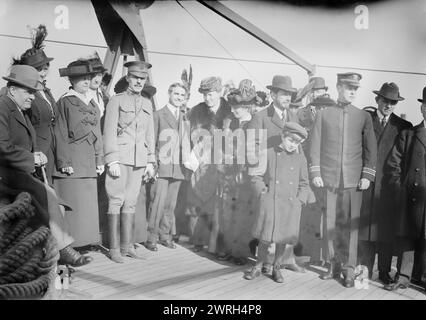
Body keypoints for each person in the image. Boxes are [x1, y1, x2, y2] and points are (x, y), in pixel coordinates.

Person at [0, 64, 92, 267]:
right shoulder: (3, 107)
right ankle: (63, 250)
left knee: (55, 201)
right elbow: (2, 147)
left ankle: (55, 252)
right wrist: (30, 158)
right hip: (6, 173)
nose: (32, 97)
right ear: (12, 89)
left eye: (34, 92)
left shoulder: (18, 108)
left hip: (17, 170)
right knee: (48, 195)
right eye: (28, 92)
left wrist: (34, 153)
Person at [309, 72, 377, 288]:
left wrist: (367, 175)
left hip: (353, 182)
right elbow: (315, 145)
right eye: (349, 88)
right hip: (329, 179)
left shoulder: (363, 116)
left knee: (351, 228)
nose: (353, 92)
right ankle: (333, 265)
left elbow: (370, 150)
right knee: (330, 224)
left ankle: (348, 269)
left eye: (356, 88)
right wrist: (316, 173)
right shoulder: (324, 114)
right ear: (338, 87)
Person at [246, 75, 305, 274]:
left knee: (285, 226)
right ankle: (261, 264)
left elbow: (298, 150)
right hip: (269, 180)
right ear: (273, 94)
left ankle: (282, 262)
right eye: (284, 94)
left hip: (288, 184)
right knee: (266, 228)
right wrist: (260, 188)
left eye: (290, 94)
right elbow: (252, 151)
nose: (288, 97)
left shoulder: (293, 117)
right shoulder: (261, 117)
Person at [358, 82, 412, 283]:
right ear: (377, 100)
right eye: (385, 101)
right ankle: (364, 271)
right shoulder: (365, 121)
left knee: (385, 231)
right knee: (365, 230)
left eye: (392, 102)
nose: (388, 105)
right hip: (367, 184)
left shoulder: (403, 127)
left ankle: (383, 272)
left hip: (389, 189)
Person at [103, 60, 156, 263]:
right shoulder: (116, 101)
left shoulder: (147, 103)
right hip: (120, 158)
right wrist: (112, 160)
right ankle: (114, 249)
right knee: (116, 200)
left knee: (131, 203)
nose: (139, 82)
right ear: (127, 78)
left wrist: (151, 161)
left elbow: (150, 134)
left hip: (139, 160)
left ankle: (127, 246)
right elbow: (108, 132)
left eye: (142, 79)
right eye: (135, 78)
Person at [244, 122, 310, 283]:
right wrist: (262, 193)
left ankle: (277, 268)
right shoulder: (268, 153)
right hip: (271, 202)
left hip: (290, 204)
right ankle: (258, 266)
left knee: (283, 239)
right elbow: (256, 177)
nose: (293, 145)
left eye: (297, 143)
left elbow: (304, 183)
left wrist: (299, 200)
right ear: (283, 136)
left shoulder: (300, 159)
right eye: (290, 140)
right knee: (265, 238)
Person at [53, 59, 104, 248]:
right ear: (71, 80)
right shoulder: (65, 102)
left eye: (87, 77)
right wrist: (64, 160)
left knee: (87, 205)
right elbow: (60, 132)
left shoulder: (93, 104)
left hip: (89, 161)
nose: (85, 81)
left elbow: (98, 134)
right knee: (74, 203)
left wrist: (100, 159)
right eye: (80, 77)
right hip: (72, 160)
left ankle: (87, 242)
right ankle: (71, 246)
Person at [384, 87, 426, 292]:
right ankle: (403, 276)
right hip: (410, 196)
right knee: (408, 236)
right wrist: (400, 188)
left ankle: (423, 277)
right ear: (422, 107)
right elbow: (394, 164)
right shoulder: (409, 133)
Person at [186, 76, 233, 256]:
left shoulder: (229, 109)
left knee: (216, 202)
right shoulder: (197, 111)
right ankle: (198, 239)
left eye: (211, 94)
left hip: (221, 161)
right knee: (198, 197)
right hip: (202, 160)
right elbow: (193, 133)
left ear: (220, 92)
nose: (207, 99)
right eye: (205, 95)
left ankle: (215, 242)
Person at [5, 25, 58, 184]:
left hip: (49, 148)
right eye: (38, 68)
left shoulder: (46, 91)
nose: (43, 72)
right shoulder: (22, 93)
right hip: (34, 148)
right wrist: (33, 151)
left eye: (45, 67)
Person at [145, 82, 191, 251]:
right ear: (169, 94)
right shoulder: (158, 115)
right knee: (157, 203)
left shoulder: (185, 118)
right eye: (176, 94)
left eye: (182, 95)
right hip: (162, 167)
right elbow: (152, 141)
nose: (179, 97)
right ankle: (151, 237)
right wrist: (153, 164)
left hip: (178, 168)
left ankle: (165, 235)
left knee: (170, 205)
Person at [225, 80, 260, 265]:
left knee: (245, 214)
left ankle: (241, 251)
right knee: (234, 213)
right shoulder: (233, 125)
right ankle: (234, 249)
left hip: (246, 174)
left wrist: (241, 169)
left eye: (238, 106)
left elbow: (252, 153)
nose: (234, 110)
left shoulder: (252, 124)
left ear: (247, 106)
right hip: (232, 174)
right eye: (233, 106)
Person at [84, 52, 108, 133]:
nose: (97, 79)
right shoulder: (81, 96)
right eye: (93, 75)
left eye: (99, 75)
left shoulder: (105, 97)